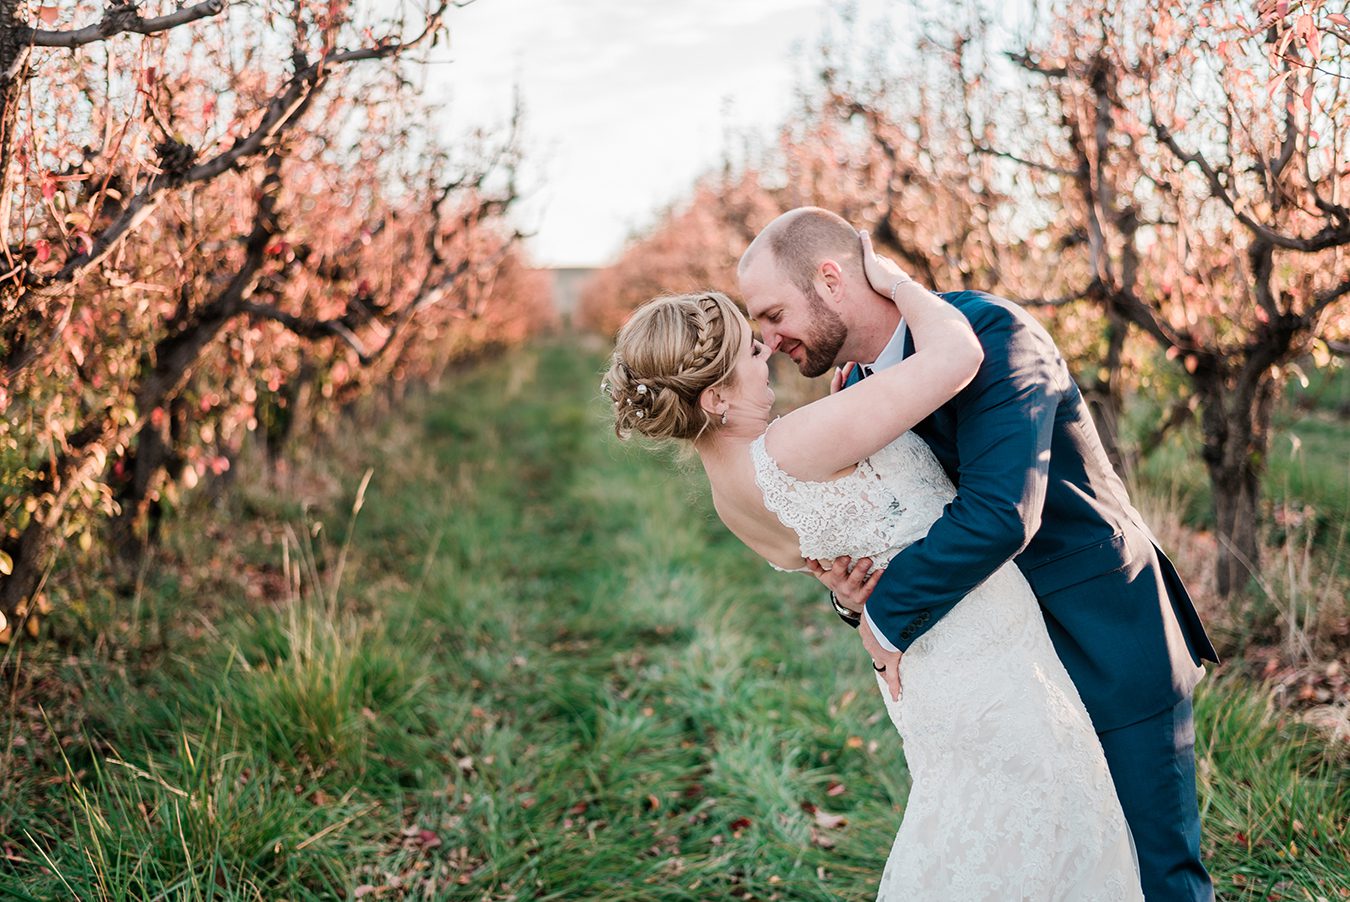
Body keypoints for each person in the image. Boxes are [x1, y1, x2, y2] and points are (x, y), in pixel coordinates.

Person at [603, 231, 1144, 899]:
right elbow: (957, 355)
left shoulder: (730, 495)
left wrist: (854, 604)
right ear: (714, 398)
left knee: (982, 836)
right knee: (1045, 834)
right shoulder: (796, 443)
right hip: (985, 652)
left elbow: (847, 569)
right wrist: (894, 280)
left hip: (918, 672)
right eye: (750, 348)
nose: (767, 348)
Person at [738, 207, 1218, 901]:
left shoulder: (996, 332)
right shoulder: (851, 389)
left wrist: (887, 619)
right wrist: (853, 594)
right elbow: (888, 526)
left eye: (774, 313)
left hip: (1100, 635)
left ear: (832, 279)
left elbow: (1000, 512)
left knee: (1153, 874)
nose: (768, 338)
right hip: (1003, 673)